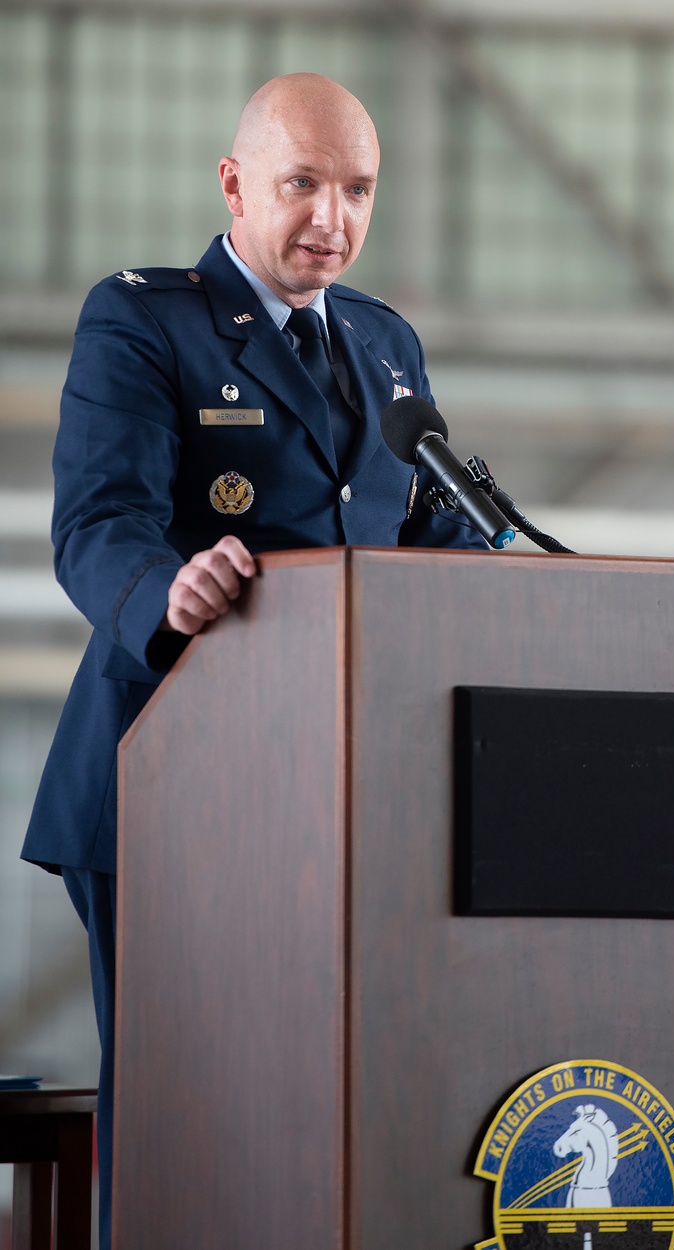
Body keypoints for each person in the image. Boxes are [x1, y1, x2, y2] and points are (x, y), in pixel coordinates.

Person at [21, 73, 486, 1250]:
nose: (331, 218)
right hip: (172, 774)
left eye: (358, 189)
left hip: (345, 795)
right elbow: (98, 524)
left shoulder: (384, 340)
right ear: (233, 186)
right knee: (197, 1100)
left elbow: (421, 529)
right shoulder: (143, 319)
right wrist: (164, 590)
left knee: (335, 1097)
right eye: (302, 185)